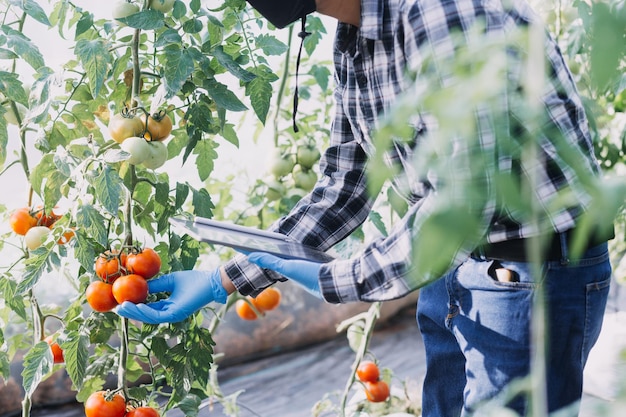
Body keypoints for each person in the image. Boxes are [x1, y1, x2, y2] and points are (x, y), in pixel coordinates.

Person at [118, 0, 614, 415]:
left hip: (531, 271)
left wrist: (344, 279)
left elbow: (467, 195)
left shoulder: (441, 11)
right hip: (455, 267)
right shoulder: (355, 40)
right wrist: (219, 281)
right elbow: (343, 186)